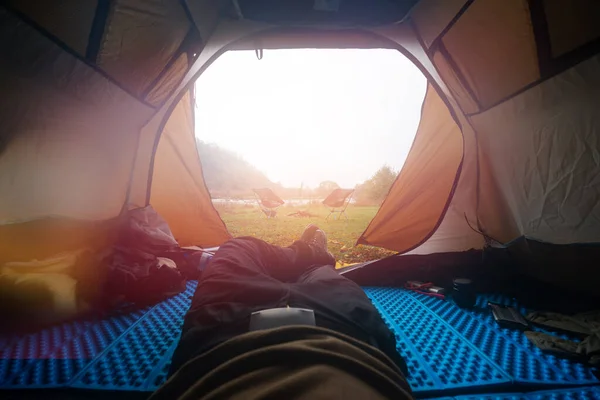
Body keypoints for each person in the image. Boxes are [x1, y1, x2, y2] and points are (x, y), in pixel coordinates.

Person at [150, 225, 413, 399]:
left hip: (220, 337)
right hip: (350, 338)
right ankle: (312, 257)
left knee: (237, 247)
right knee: (322, 274)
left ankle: (304, 255)